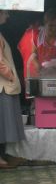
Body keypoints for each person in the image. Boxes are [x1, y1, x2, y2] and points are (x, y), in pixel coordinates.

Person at [0, 10, 25, 168]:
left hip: (4, 84)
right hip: (3, 85)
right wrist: (11, 76)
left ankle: (3, 155)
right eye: (5, 13)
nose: (8, 16)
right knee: (2, 122)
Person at [24, 8, 56, 77]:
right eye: (51, 25)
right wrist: (37, 65)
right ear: (45, 23)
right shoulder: (37, 35)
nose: (54, 29)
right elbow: (33, 54)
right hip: (41, 73)